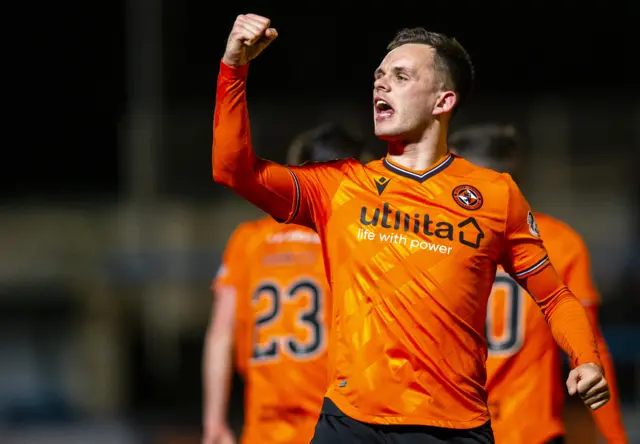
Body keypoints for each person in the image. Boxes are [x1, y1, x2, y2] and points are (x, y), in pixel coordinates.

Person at [212, 14, 610, 444]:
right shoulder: (341, 186)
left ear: (443, 101)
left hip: (452, 428)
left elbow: (554, 296)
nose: (380, 84)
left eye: (400, 76)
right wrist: (234, 68)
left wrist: (586, 359)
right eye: (379, 76)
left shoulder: (495, 195)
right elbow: (233, 169)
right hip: (350, 422)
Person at [449, 124, 628, 444]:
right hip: (528, 431)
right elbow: (591, 350)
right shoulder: (559, 241)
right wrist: (616, 437)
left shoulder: (428, 239)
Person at [203, 123, 366, 444]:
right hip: (335, 423)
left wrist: (214, 421)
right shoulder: (351, 240)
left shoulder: (248, 240)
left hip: (264, 426)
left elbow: (221, 335)